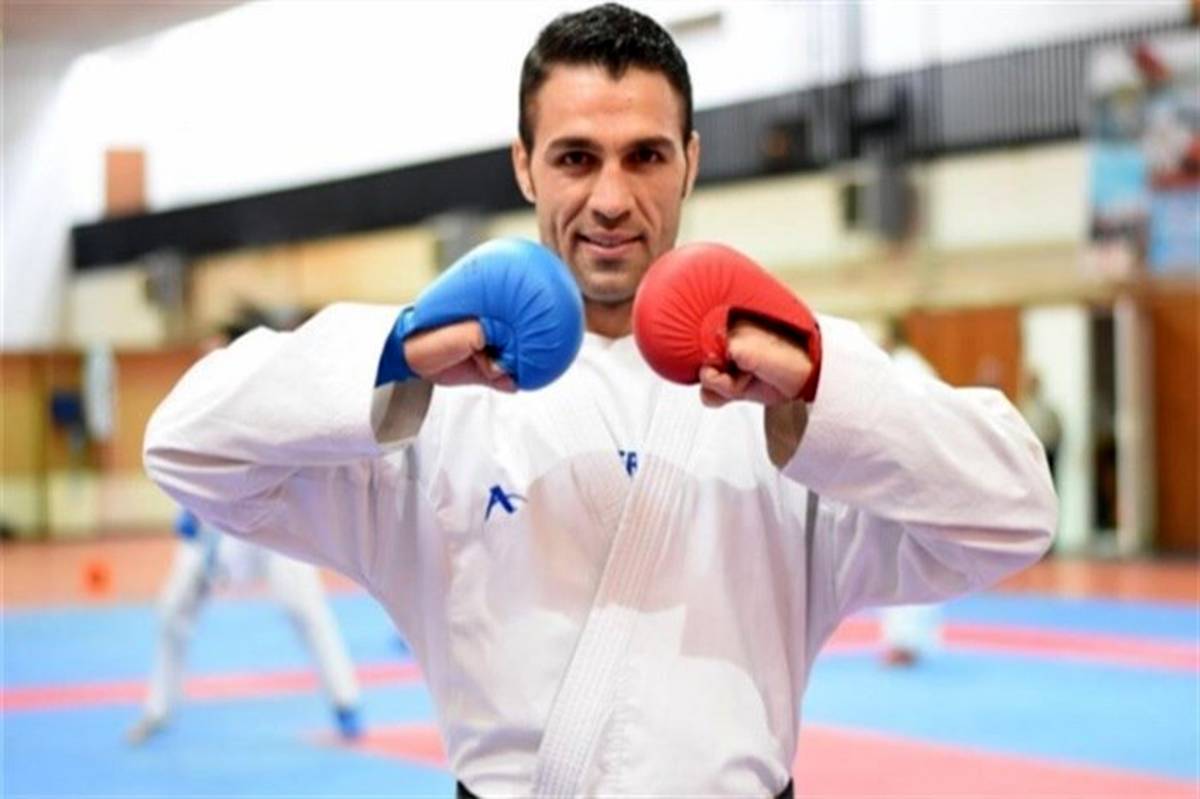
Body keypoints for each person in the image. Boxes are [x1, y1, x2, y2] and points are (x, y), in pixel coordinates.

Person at [144, 5, 1056, 795]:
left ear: (690, 162)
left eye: (645, 156)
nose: (611, 199)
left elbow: (1016, 512)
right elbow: (184, 445)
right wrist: (393, 349)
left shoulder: (792, 393)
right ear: (525, 166)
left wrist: (822, 378)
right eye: (576, 157)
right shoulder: (432, 405)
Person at [129, 326, 363, 746]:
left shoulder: (263, 400)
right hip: (214, 528)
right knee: (172, 608)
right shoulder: (192, 407)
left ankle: (346, 703)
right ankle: (158, 709)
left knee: (306, 609)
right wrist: (188, 515)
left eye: (214, 354)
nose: (206, 363)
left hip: (274, 524)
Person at [876, 318, 945, 667]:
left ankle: (905, 641)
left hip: (907, 474)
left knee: (901, 558)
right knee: (919, 558)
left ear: (892, 337)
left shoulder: (899, 369)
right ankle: (912, 639)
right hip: (925, 473)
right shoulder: (920, 367)